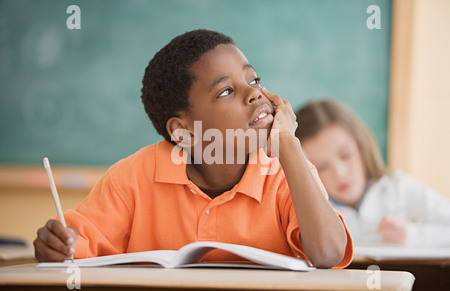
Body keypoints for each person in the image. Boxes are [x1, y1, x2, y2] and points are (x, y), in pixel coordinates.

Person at [33, 30, 353, 268]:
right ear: (183, 131)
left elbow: (327, 253)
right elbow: (76, 244)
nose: (254, 94)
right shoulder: (131, 179)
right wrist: (58, 245)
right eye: (226, 90)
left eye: (254, 79)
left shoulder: (287, 170)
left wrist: (289, 144)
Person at [295, 99, 450, 247]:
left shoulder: (399, 189)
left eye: (346, 155)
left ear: (362, 146)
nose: (340, 174)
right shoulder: (303, 211)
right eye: (321, 167)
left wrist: (412, 235)